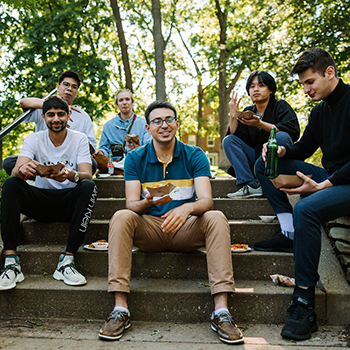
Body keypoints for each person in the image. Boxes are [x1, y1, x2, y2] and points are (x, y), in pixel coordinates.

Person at [99, 101, 244, 344]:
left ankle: (221, 311)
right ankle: (120, 308)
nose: (164, 125)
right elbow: (131, 205)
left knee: (216, 217)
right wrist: (147, 203)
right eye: (157, 121)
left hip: (186, 230)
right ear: (148, 128)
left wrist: (187, 208)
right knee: (121, 216)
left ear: (177, 124)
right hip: (150, 230)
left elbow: (206, 201)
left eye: (169, 120)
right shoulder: (135, 158)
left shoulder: (195, 154)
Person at [254, 48, 350, 340]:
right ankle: (285, 227)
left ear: (329, 72)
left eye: (310, 82)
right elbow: (304, 148)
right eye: (302, 84)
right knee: (264, 163)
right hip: (333, 177)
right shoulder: (320, 110)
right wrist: (281, 151)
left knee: (306, 210)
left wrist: (325, 185)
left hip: (344, 180)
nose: (306, 89)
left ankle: (304, 301)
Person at [0, 96, 98, 291]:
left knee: (88, 187)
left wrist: (72, 175)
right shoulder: (34, 139)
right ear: (43, 117)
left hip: (69, 203)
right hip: (41, 201)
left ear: (68, 116)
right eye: (51, 115)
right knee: (11, 184)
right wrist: (23, 169)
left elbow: (87, 174)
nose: (56, 119)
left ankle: (67, 260)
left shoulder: (79, 138)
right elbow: (14, 170)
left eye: (61, 114)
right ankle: (11, 261)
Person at [3, 70, 98, 174]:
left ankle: (61, 175)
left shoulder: (83, 116)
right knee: (9, 162)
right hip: (41, 162)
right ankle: (40, 175)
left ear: (76, 92)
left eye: (74, 87)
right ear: (58, 87)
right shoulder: (41, 108)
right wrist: (51, 104)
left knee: (92, 163)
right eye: (66, 84)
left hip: (69, 163)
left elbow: (91, 149)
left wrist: (71, 139)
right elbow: (23, 102)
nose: (69, 89)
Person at [223, 70, 300, 198]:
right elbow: (235, 136)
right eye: (252, 86)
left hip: (278, 161)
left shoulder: (281, 106)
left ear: (270, 89)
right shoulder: (248, 111)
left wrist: (260, 124)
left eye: (261, 85)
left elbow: (292, 132)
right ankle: (250, 185)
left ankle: (271, 180)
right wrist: (233, 115)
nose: (256, 89)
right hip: (255, 160)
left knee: (281, 136)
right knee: (228, 140)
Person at [93, 89, 152, 174]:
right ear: (117, 104)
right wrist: (100, 152)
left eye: (127, 99)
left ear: (132, 102)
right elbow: (104, 149)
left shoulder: (144, 124)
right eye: (121, 100)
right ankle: (126, 172)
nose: (124, 102)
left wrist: (138, 150)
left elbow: (149, 147)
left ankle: (122, 172)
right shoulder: (108, 126)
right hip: (115, 163)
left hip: (136, 160)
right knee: (95, 158)